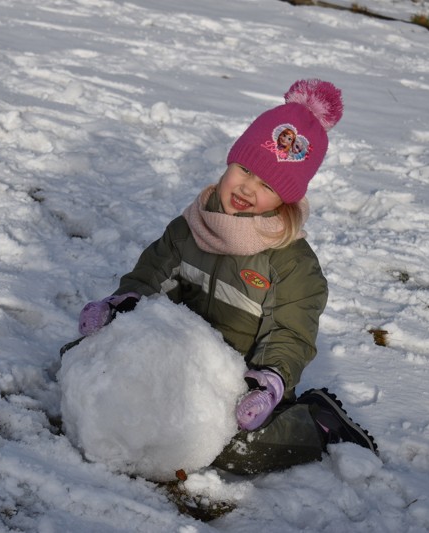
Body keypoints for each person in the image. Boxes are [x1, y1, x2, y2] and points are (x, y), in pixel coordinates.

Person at [75, 79, 377, 475]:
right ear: (230, 162)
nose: (248, 188)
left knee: (231, 449)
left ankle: (318, 422)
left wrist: (266, 382)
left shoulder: (290, 263)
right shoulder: (191, 226)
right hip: (182, 364)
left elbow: (290, 333)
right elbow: (151, 277)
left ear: (286, 197)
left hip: (242, 385)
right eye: (245, 169)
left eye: (268, 184)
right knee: (82, 362)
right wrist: (121, 306)